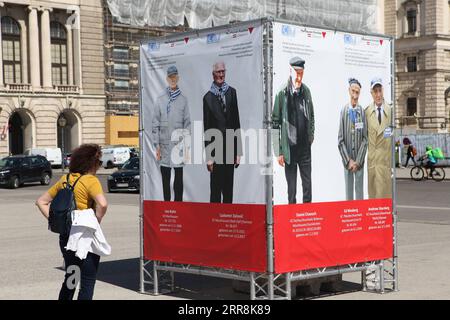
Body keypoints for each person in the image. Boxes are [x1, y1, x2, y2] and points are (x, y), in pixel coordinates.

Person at [36, 144, 108, 300]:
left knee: (71, 276)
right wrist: (97, 221)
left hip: (66, 237)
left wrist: (56, 221)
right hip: (85, 237)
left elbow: (41, 201)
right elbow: (102, 204)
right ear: (92, 162)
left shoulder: (65, 179)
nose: (99, 166)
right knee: (88, 281)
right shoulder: (91, 180)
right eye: (99, 162)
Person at [272, 57, 315, 204]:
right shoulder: (282, 93)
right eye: (296, 72)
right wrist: (278, 151)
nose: (299, 76)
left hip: (304, 148)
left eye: (301, 73)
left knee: (308, 187)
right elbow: (275, 123)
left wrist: (311, 134)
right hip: (289, 150)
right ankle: (293, 221)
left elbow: (312, 115)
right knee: (292, 190)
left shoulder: (306, 91)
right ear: (290, 71)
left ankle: (307, 219)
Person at [203, 61, 242, 203]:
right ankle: (213, 223)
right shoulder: (207, 98)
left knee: (228, 191)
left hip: (231, 148)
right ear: (213, 74)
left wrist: (238, 152)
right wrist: (209, 157)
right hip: (216, 150)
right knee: (215, 191)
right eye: (218, 72)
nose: (221, 75)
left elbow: (237, 122)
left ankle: (227, 223)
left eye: (223, 72)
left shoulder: (232, 93)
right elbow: (207, 128)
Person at [152, 65, 191, 201]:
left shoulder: (183, 100)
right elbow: (155, 124)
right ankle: (166, 206)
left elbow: (187, 124)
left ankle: (178, 205)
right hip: (163, 146)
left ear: (178, 78)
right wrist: (156, 145)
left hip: (178, 146)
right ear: (167, 79)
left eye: (175, 77)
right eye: (170, 77)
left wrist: (186, 146)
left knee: (178, 178)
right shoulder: (160, 99)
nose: (173, 79)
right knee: (165, 179)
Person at [338, 78, 368, 200]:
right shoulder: (344, 111)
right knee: (348, 192)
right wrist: (348, 160)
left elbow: (365, 139)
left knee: (359, 191)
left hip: (359, 161)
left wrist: (358, 161)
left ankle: (359, 215)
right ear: (349, 91)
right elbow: (340, 139)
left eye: (357, 92)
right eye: (353, 91)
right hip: (347, 161)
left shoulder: (362, 112)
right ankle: (349, 215)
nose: (355, 95)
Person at [365, 78, 393, 199]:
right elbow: (364, 138)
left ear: (383, 91)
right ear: (371, 93)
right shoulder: (366, 112)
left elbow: (392, 137)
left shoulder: (391, 111)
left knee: (385, 199)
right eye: (375, 91)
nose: (378, 94)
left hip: (385, 163)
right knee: (374, 199)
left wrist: (392, 164)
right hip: (373, 163)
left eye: (380, 90)